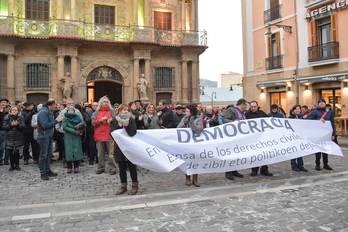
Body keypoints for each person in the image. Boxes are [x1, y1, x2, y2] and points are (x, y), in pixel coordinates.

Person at [110, 104, 138, 195]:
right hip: (119, 147)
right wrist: (119, 126)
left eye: (127, 110)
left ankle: (134, 185)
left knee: (132, 166)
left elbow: (133, 133)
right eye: (124, 110)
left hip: (130, 146)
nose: (126, 111)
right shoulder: (114, 121)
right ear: (119, 111)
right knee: (122, 167)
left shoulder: (131, 120)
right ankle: (123, 186)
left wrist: (127, 126)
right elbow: (112, 134)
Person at [37, 100, 64, 180]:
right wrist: (56, 121)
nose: (55, 106)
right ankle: (43, 172)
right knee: (43, 155)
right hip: (43, 136)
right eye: (55, 105)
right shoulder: (43, 112)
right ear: (51, 105)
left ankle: (47, 170)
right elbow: (44, 125)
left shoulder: (49, 111)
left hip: (48, 135)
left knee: (49, 154)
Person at [177, 104, 204, 187]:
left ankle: (195, 179)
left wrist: (192, 124)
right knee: (187, 161)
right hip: (187, 142)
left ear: (191, 112)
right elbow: (178, 128)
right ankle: (187, 178)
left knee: (195, 161)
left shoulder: (198, 118)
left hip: (195, 143)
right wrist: (184, 124)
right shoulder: (184, 118)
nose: (185, 112)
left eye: (187, 111)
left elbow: (199, 130)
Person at [245, 101, 274, 176]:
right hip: (252, 138)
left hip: (262, 137)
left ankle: (264, 169)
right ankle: (254, 170)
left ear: (257, 106)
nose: (253, 108)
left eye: (255, 107)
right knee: (254, 154)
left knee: (264, 154)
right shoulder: (247, 114)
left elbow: (268, 122)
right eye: (252, 107)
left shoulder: (262, 113)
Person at [223, 98, 248, 180]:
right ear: (242, 104)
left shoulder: (242, 113)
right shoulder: (231, 110)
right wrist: (233, 122)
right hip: (232, 136)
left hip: (239, 137)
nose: (246, 107)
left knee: (237, 154)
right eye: (245, 105)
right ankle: (228, 172)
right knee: (231, 154)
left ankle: (234, 170)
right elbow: (225, 120)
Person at [91, 96, 117, 175]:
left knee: (111, 154)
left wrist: (110, 120)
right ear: (101, 103)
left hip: (109, 135)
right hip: (99, 135)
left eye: (107, 102)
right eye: (104, 102)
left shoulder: (112, 111)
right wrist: (101, 120)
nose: (106, 103)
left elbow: (116, 121)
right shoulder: (96, 112)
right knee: (100, 154)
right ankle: (101, 167)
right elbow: (93, 122)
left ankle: (113, 168)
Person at [309, 99, 336, 171]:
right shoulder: (314, 111)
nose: (321, 103)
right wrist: (318, 120)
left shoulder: (330, 112)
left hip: (326, 133)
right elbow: (310, 120)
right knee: (318, 149)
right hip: (318, 133)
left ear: (325, 104)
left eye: (323, 102)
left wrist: (333, 134)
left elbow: (332, 123)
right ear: (318, 104)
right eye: (320, 102)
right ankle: (317, 164)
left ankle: (325, 163)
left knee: (325, 149)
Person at [62, 106, 86, 174]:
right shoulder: (65, 118)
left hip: (76, 136)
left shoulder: (78, 117)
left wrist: (80, 129)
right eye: (69, 110)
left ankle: (76, 166)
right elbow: (64, 126)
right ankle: (69, 167)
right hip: (68, 136)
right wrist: (73, 130)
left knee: (76, 151)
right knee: (69, 151)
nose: (70, 111)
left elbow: (83, 123)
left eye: (72, 110)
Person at [2, 106, 25, 171]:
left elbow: (23, 126)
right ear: (10, 111)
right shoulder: (7, 117)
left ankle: (17, 165)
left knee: (17, 152)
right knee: (11, 152)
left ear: (18, 111)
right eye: (13, 110)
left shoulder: (21, 117)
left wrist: (18, 125)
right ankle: (12, 165)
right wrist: (11, 125)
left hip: (18, 136)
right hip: (10, 136)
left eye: (15, 110)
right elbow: (4, 126)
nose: (14, 111)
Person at [288, 105, 308, 172]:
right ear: (293, 110)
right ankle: (294, 166)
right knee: (293, 151)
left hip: (300, 136)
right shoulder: (290, 117)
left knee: (300, 151)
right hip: (293, 137)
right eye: (296, 109)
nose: (297, 110)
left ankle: (301, 166)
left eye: (298, 109)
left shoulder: (302, 117)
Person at [0, 98, 10, 166]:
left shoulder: (9, 112)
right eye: (1, 102)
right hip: (0, 131)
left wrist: (7, 112)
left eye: (4, 102)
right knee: (0, 147)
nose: (2, 104)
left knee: (7, 147)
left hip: (7, 131)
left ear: (7, 103)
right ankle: (0, 159)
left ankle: (6, 160)